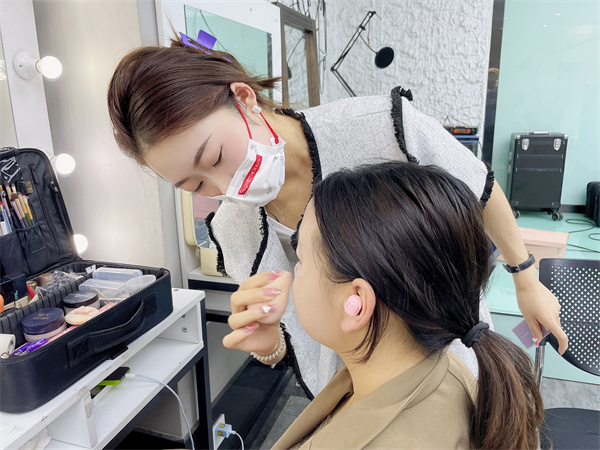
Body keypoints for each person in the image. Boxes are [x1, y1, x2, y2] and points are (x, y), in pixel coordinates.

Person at [107, 33, 567, 398]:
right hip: (352, 395)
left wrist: (525, 278)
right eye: (196, 186)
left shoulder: (378, 127)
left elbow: (478, 187)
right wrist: (268, 344)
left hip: (446, 359)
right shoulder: (235, 229)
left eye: (215, 157)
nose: (227, 187)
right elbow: (292, 335)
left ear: (245, 98)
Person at [229, 161, 544, 449]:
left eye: (301, 259)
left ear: (356, 303)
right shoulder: (442, 369)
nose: (292, 272)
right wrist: (271, 346)